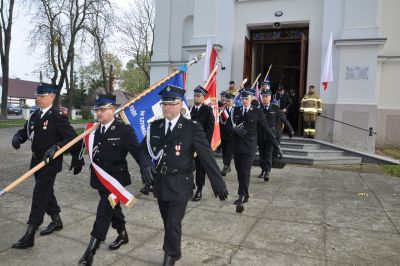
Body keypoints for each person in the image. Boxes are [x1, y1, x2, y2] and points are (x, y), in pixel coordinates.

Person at [141, 85, 228, 266]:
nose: (167, 108)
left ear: (180, 105)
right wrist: (145, 165)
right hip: (161, 182)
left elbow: (206, 156)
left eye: (171, 104)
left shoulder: (191, 128)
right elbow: (142, 149)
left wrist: (217, 182)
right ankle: (175, 250)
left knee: (173, 222)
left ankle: (169, 256)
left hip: (181, 183)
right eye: (164, 104)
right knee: (168, 222)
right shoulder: (155, 127)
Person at [78, 94, 153, 266]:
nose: (98, 113)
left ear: (112, 110)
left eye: (102, 110)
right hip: (99, 179)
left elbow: (138, 151)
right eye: (97, 110)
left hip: (116, 181)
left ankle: (90, 252)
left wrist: (145, 165)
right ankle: (122, 234)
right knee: (113, 209)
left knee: (104, 211)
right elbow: (78, 145)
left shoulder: (123, 130)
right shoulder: (93, 129)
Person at [10, 83, 84, 249]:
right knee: (46, 191)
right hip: (36, 161)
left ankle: (30, 233)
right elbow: (26, 131)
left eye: (42, 96)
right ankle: (56, 220)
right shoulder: (35, 115)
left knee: (39, 195)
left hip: (50, 162)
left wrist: (57, 147)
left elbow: (72, 138)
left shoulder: (57, 116)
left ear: (52, 97)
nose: (39, 98)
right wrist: (18, 137)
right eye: (38, 95)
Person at [226, 90, 282, 214]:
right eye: (242, 99)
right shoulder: (235, 110)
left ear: (251, 98)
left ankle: (241, 197)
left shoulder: (257, 111)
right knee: (240, 172)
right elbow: (227, 126)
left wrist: (276, 144)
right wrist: (234, 130)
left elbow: (266, 128)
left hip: (249, 147)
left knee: (245, 172)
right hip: (237, 147)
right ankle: (245, 194)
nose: (244, 101)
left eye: (247, 99)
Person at [257, 90, 294, 181]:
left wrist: (290, 130)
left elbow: (284, 119)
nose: (264, 98)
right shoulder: (258, 109)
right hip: (261, 135)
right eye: (263, 97)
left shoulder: (275, 108)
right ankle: (263, 169)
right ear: (261, 98)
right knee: (262, 154)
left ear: (270, 97)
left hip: (271, 135)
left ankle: (267, 171)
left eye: (266, 96)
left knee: (269, 153)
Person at [190, 85, 215, 202]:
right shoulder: (190, 109)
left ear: (203, 97)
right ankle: (190, 186)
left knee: (200, 169)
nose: (196, 98)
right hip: (189, 145)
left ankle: (199, 189)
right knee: (187, 166)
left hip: (201, 145)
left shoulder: (207, 110)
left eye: (198, 96)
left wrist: (205, 146)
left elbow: (210, 130)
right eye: (195, 95)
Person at [219, 93, 235, 176]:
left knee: (229, 151)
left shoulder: (235, 110)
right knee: (224, 151)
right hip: (223, 134)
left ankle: (226, 165)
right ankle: (227, 165)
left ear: (233, 101)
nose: (228, 102)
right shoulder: (222, 109)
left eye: (229, 101)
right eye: (226, 101)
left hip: (231, 134)